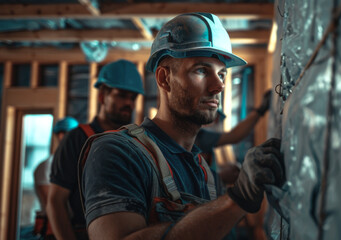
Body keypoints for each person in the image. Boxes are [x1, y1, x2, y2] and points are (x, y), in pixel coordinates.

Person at [80, 12, 284, 240]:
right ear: (164, 79)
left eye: (222, 74)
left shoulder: (203, 170)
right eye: (201, 70)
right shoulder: (118, 152)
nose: (219, 86)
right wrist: (237, 201)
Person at [46, 59, 144, 240]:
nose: (129, 103)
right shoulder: (77, 139)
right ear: (102, 96)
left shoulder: (135, 142)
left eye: (133, 98)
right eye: (122, 95)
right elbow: (56, 201)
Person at [33, 117, 79, 238]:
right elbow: (51, 203)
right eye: (65, 134)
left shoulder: (76, 164)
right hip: (53, 229)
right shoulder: (47, 166)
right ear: (60, 135)